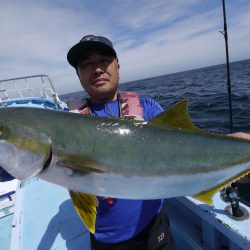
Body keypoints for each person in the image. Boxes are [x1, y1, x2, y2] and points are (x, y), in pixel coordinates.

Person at [66, 35, 176, 250]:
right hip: (107, 242)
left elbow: (190, 145)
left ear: (117, 65)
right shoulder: (66, 122)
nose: (97, 69)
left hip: (154, 227)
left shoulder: (148, 109)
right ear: (78, 74)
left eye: (104, 61)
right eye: (87, 64)